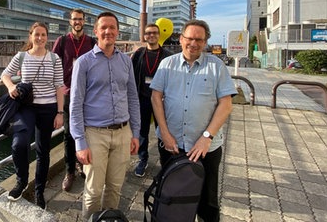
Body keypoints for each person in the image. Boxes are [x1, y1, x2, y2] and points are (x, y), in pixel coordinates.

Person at [150, 19, 237, 222]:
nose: (193, 43)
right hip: (172, 145)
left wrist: (207, 136)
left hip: (206, 148)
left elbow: (226, 104)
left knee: (208, 202)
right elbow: (156, 97)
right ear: (181, 39)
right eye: (189, 38)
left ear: (205, 42)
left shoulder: (216, 66)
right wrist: (164, 132)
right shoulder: (167, 64)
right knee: (173, 196)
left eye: (199, 39)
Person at [70, 12, 141, 219]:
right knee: (93, 190)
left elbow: (133, 98)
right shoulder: (83, 63)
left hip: (122, 132)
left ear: (118, 31)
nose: (108, 31)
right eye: (104, 28)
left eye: (112, 27)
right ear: (96, 31)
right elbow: (75, 104)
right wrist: (79, 142)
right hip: (94, 134)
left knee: (115, 187)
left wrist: (135, 133)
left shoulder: (126, 62)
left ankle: (110, 219)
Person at [0, 22, 64, 210]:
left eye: (43, 35)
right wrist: (11, 86)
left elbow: (59, 86)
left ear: (47, 37)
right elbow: (5, 75)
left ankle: (39, 191)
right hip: (27, 107)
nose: (40, 38)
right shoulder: (21, 57)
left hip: (49, 108)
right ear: (30, 36)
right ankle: (21, 182)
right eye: (36, 34)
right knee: (19, 144)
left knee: (43, 151)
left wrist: (60, 112)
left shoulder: (54, 58)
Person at [52, 8, 97, 191]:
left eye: (80, 19)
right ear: (70, 22)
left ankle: (83, 163)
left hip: (89, 94)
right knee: (70, 134)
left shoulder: (92, 42)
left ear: (84, 21)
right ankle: (69, 170)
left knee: (88, 131)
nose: (77, 22)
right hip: (68, 94)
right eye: (74, 19)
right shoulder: (62, 41)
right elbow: (52, 64)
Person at [131, 23, 172, 177]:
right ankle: (143, 159)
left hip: (162, 100)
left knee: (163, 130)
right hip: (142, 98)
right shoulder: (139, 54)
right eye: (148, 33)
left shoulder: (167, 56)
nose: (151, 35)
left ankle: (165, 161)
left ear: (159, 34)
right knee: (142, 131)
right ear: (144, 36)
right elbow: (130, 73)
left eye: (154, 33)